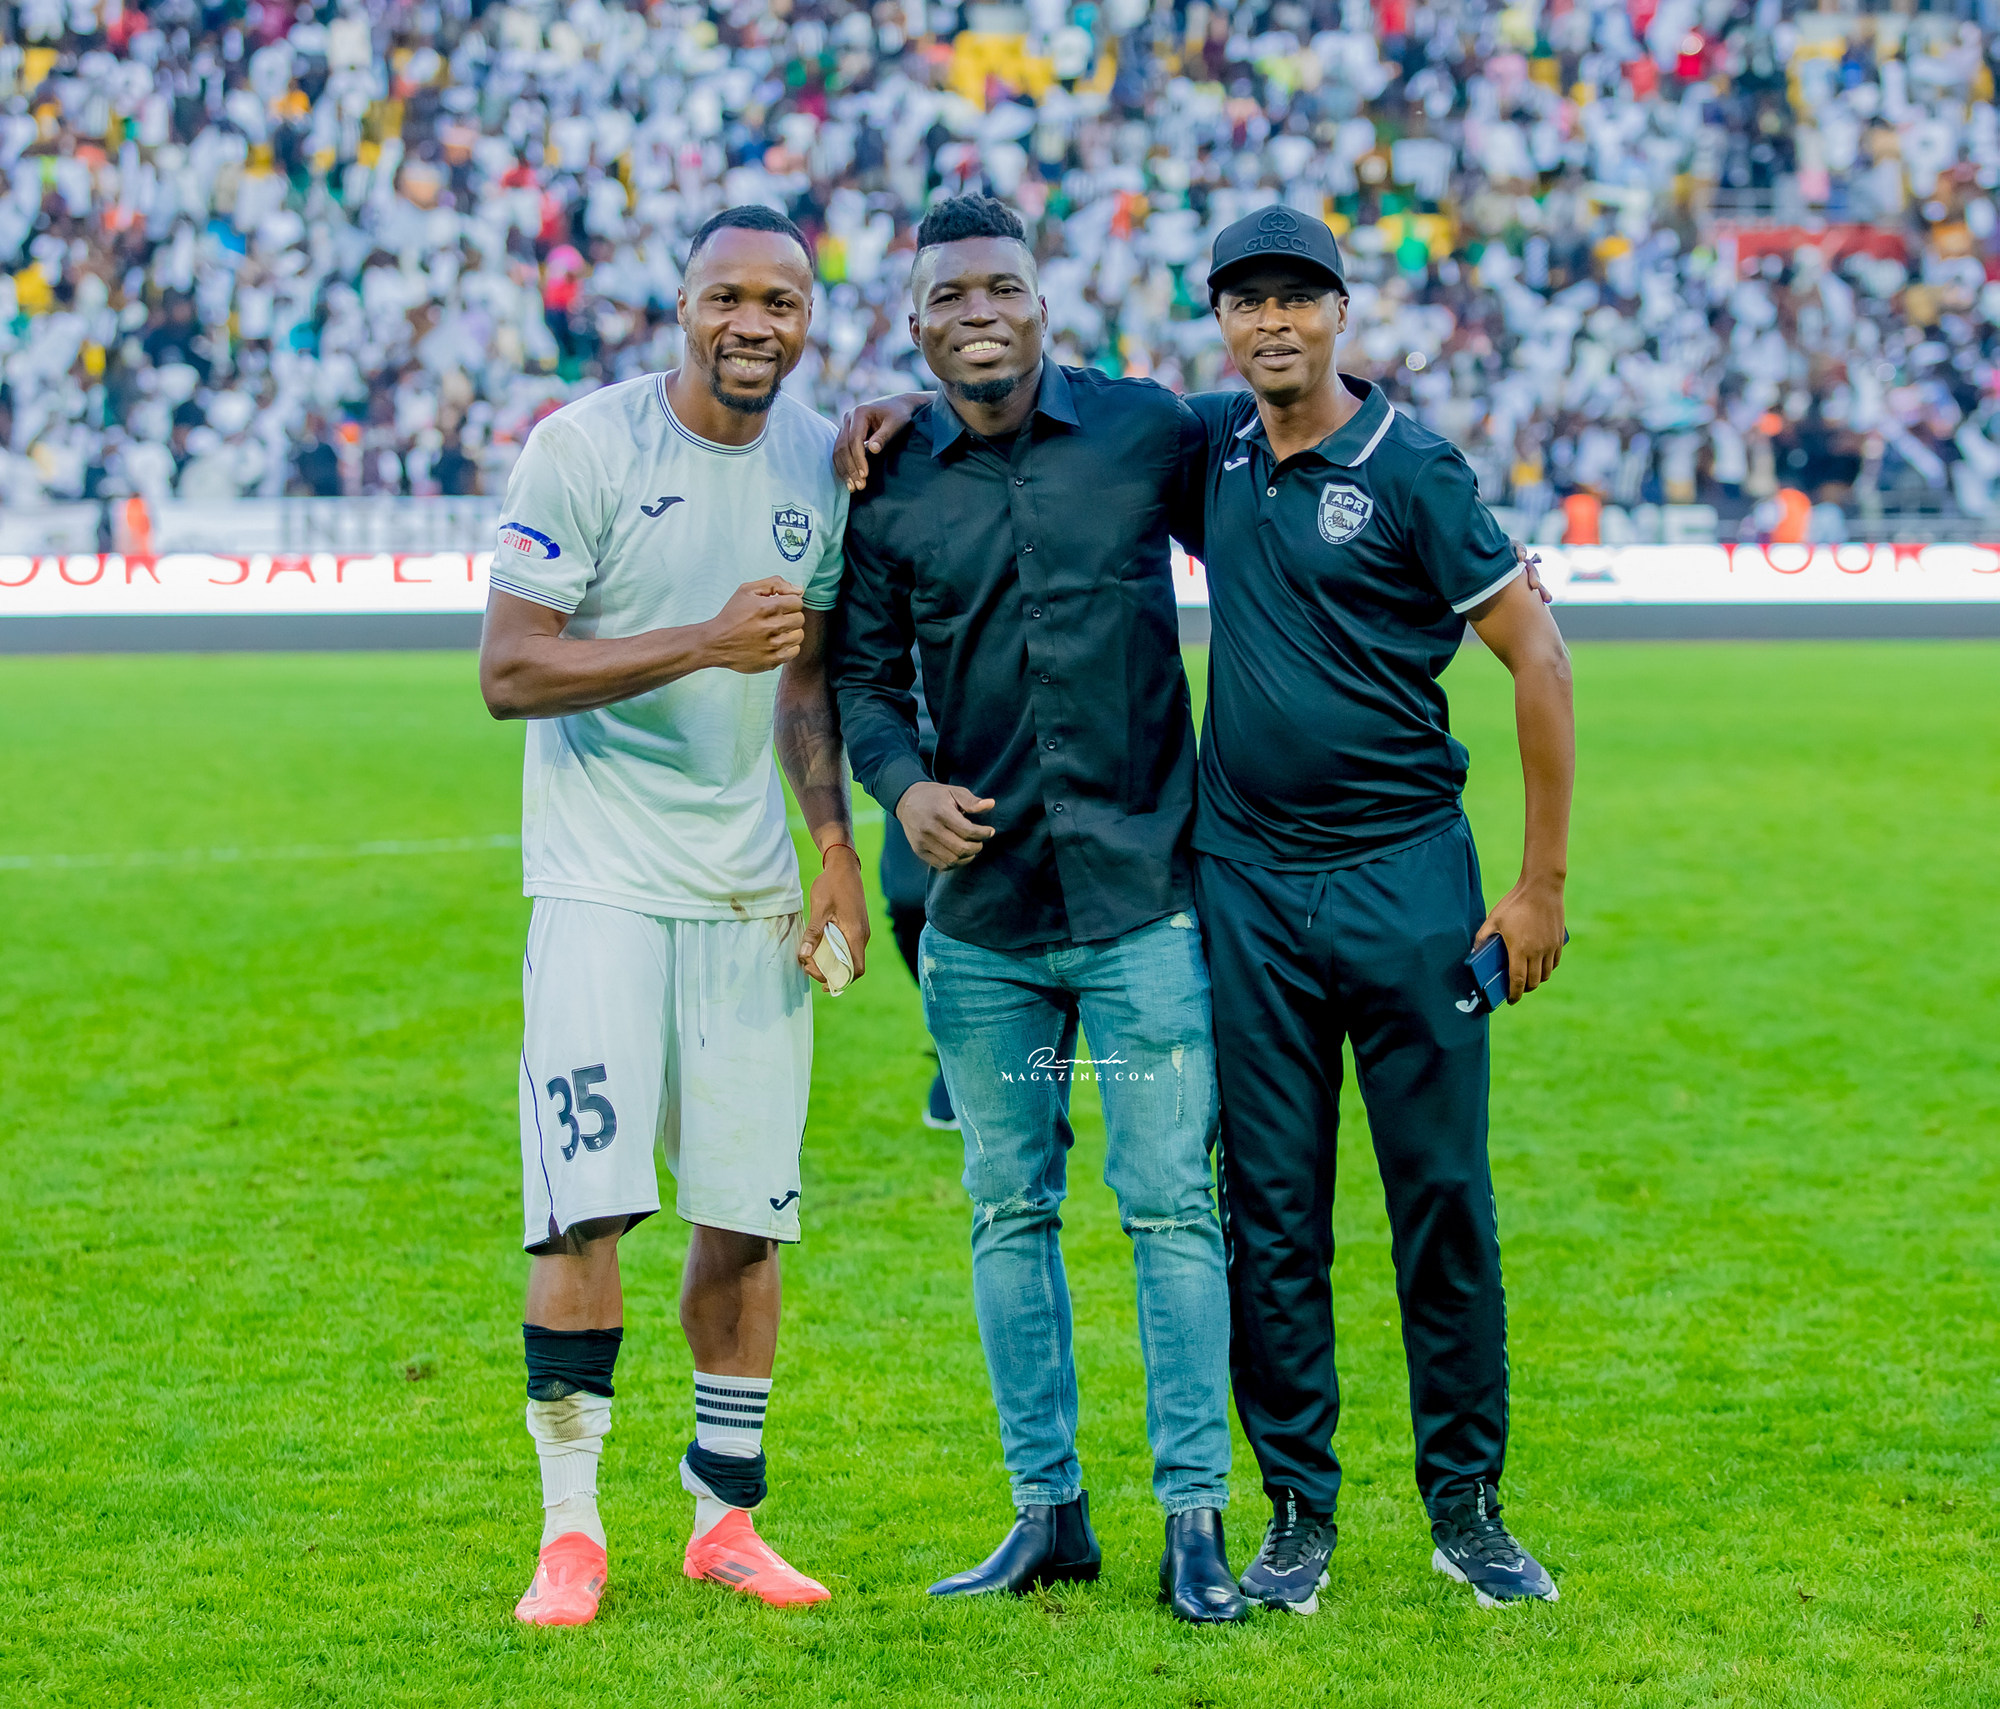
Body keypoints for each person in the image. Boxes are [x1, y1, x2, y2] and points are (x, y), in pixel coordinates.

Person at [829, 196, 1248, 1624]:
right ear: (914, 325)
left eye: (1000, 286)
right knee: (1008, 1209)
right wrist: (901, 788)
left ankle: (1194, 1522)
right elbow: (862, 681)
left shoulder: (1145, 430)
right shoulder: (886, 480)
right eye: (949, 297)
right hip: (985, 926)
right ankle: (1046, 1514)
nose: (979, 313)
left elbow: (1281, 478)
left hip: (1142, 903)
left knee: (1171, 1207)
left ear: (1043, 300)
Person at [477, 205, 867, 1629]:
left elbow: (806, 676)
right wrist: (702, 640)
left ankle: (725, 1521)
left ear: (807, 319)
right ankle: (569, 1531)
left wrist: (835, 845)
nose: (752, 322)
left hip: (748, 889)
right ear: (683, 306)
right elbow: (510, 670)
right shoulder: (581, 447)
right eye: (726, 297)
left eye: (781, 301)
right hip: (599, 881)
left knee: (745, 1216)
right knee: (583, 1208)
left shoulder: (820, 462)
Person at [1185, 208, 1574, 1612]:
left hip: (1407, 882)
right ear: (1221, 321)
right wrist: (889, 413)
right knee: (1269, 1211)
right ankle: (1297, 1510)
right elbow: (1061, 421)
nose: (1272, 321)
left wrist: (1537, 885)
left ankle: (1466, 1506)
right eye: (1246, 301)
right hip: (1246, 890)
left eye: (1296, 297)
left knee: (1441, 1199)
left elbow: (1537, 657)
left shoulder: (1413, 468)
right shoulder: (1209, 449)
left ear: (1341, 312)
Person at [876, 645, 958, 1130]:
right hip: (911, 753)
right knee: (907, 903)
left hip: (994, 742)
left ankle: (980, 1048)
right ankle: (954, 1038)